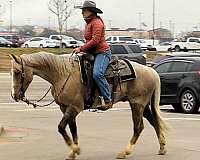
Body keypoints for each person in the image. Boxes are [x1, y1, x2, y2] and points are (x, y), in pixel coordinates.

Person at [73, 0, 112, 110]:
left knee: (97, 74)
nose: (82, 13)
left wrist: (81, 48)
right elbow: (89, 40)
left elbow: (95, 41)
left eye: (84, 11)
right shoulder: (89, 23)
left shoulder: (97, 23)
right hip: (92, 52)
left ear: (91, 12)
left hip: (102, 53)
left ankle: (108, 99)